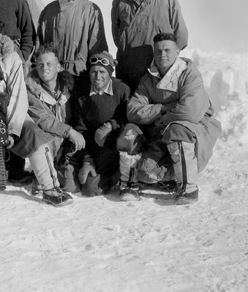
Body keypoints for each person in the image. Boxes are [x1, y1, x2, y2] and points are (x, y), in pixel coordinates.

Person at [0, 18, 72, 207]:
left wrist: (13, 129)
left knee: (34, 133)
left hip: (10, 111)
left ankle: (51, 189)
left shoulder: (11, 58)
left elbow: (19, 94)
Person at [124, 33, 221, 204]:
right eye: (158, 51)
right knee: (146, 173)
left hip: (194, 130)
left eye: (167, 50)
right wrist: (163, 108)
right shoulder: (148, 79)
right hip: (161, 133)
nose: (163, 55)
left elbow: (191, 111)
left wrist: (162, 117)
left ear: (177, 52)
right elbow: (133, 111)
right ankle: (174, 175)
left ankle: (188, 188)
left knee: (177, 128)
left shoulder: (189, 74)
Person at [111, 0, 189, 91]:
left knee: (159, 109)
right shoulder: (120, 1)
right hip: (129, 68)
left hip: (159, 69)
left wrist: (166, 58)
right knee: (131, 110)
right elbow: (117, 35)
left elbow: (182, 35)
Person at [24, 46, 81, 205]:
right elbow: (42, 119)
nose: (44, 68)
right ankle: (46, 182)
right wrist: (69, 132)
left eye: (49, 64)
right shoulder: (30, 90)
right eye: (40, 64)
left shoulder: (71, 87)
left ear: (59, 66)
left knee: (73, 184)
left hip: (68, 144)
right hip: (47, 140)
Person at [70, 52, 131, 196]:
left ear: (110, 73)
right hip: (94, 147)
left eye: (102, 72)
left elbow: (128, 120)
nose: (97, 77)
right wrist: (87, 159)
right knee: (89, 189)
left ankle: (123, 174)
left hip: (116, 145)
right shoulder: (81, 94)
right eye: (93, 72)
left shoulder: (122, 89)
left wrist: (111, 125)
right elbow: (80, 129)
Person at [37, 0, 107, 80]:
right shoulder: (49, 10)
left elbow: (98, 49)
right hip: (52, 76)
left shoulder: (91, 10)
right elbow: (40, 45)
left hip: (80, 74)